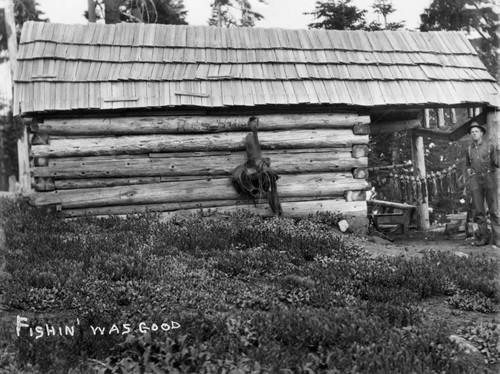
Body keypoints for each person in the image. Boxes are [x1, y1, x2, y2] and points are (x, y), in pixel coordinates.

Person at [465, 122, 499, 246]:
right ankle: (484, 237)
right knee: (479, 211)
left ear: (481, 133)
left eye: (476, 131)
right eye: (472, 132)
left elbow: (497, 163)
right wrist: (470, 174)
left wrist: (499, 152)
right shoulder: (469, 149)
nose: (474, 133)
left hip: (489, 178)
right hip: (475, 180)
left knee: (494, 210)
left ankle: (497, 238)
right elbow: (467, 165)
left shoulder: (490, 146)